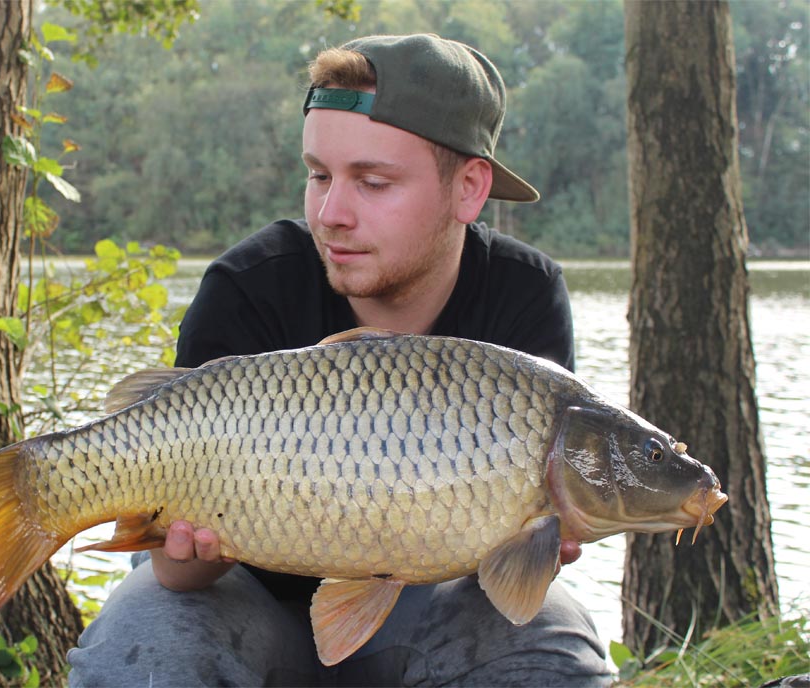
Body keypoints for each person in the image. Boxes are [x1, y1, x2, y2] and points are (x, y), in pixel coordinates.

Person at [68, 33, 611, 687]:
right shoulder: (249, 285)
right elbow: (176, 573)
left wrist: (534, 546)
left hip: (426, 623)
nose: (331, 214)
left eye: (373, 182)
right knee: (147, 633)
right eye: (318, 175)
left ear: (469, 189)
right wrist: (190, 547)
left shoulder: (523, 294)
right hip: (245, 608)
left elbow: (506, 581)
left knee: (551, 642)